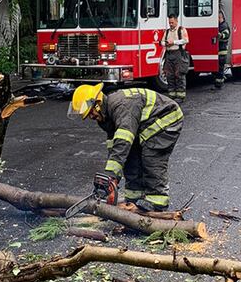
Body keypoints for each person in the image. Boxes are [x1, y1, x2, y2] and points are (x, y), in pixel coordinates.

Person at [69, 83, 183, 212]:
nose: (91, 117)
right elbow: (115, 147)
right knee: (130, 159)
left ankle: (157, 202)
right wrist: (112, 177)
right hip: (143, 125)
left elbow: (123, 141)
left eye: (91, 113)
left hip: (166, 120)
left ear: (97, 104)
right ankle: (133, 197)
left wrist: (111, 175)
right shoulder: (105, 116)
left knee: (151, 159)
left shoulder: (121, 106)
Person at [160, 14, 189, 102]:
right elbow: (161, 42)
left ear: (176, 21)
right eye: (169, 22)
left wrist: (174, 42)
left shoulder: (181, 30)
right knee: (170, 75)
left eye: (172, 22)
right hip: (169, 54)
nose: (171, 24)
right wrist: (166, 43)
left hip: (178, 54)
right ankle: (172, 94)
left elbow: (186, 40)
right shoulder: (167, 31)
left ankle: (180, 96)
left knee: (179, 74)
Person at [215, 12, 230, 89]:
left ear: (220, 17)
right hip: (219, 50)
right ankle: (220, 80)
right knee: (218, 68)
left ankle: (219, 84)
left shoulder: (224, 26)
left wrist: (219, 35)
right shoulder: (220, 25)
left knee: (220, 68)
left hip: (222, 50)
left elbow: (226, 35)